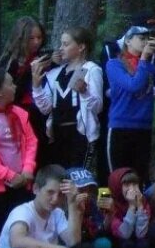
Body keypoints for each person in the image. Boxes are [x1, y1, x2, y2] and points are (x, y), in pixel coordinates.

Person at [105, 26, 155, 182]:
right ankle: (114, 206)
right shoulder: (115, 64)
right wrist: (143, 59)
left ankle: (140, 205)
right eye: (141, 38)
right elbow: (132, 85)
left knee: (140, 174)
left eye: (148, 39)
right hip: (120, 126)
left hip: (143, 127)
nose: (145, 42)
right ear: (128, 40)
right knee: (118, 176)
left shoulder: (147, 66)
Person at [32, 28, 104, 169]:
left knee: (77, 178)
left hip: (80, 136)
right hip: (58, 135)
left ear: (81, 47)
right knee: (60, 178)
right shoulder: (55, 73)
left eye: (65, 44)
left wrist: (84, 92)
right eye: (61, 44)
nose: (60, 48)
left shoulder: (91, 69)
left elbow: (97, 107)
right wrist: (37, 87)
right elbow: (45, 108)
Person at [0, 69, 37, 248]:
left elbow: (31, 142)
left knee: (22, 230)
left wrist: (26, 170)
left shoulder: (19, 113)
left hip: (22, 183)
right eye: (10, 83)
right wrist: (9, 175)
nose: (15, 86)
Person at [0, 17, 49, 166]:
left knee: (39, 152)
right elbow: (11, 91)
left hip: (39, 112)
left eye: (39, 37)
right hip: (16, 113)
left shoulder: (44, 57)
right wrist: (30, 70)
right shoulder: (9, 61)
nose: (36, 42)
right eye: (31, 38)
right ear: (21, 38)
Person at [65, 167, 112, 248]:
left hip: (90, 241)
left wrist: (109, 214)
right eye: (80, 189)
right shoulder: (60, 206)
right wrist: (76, 210)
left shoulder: (93, 202)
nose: (85, 192)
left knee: (104, 244)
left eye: (88, 188)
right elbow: (70, 240)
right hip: (68, 246)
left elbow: (102, 229)